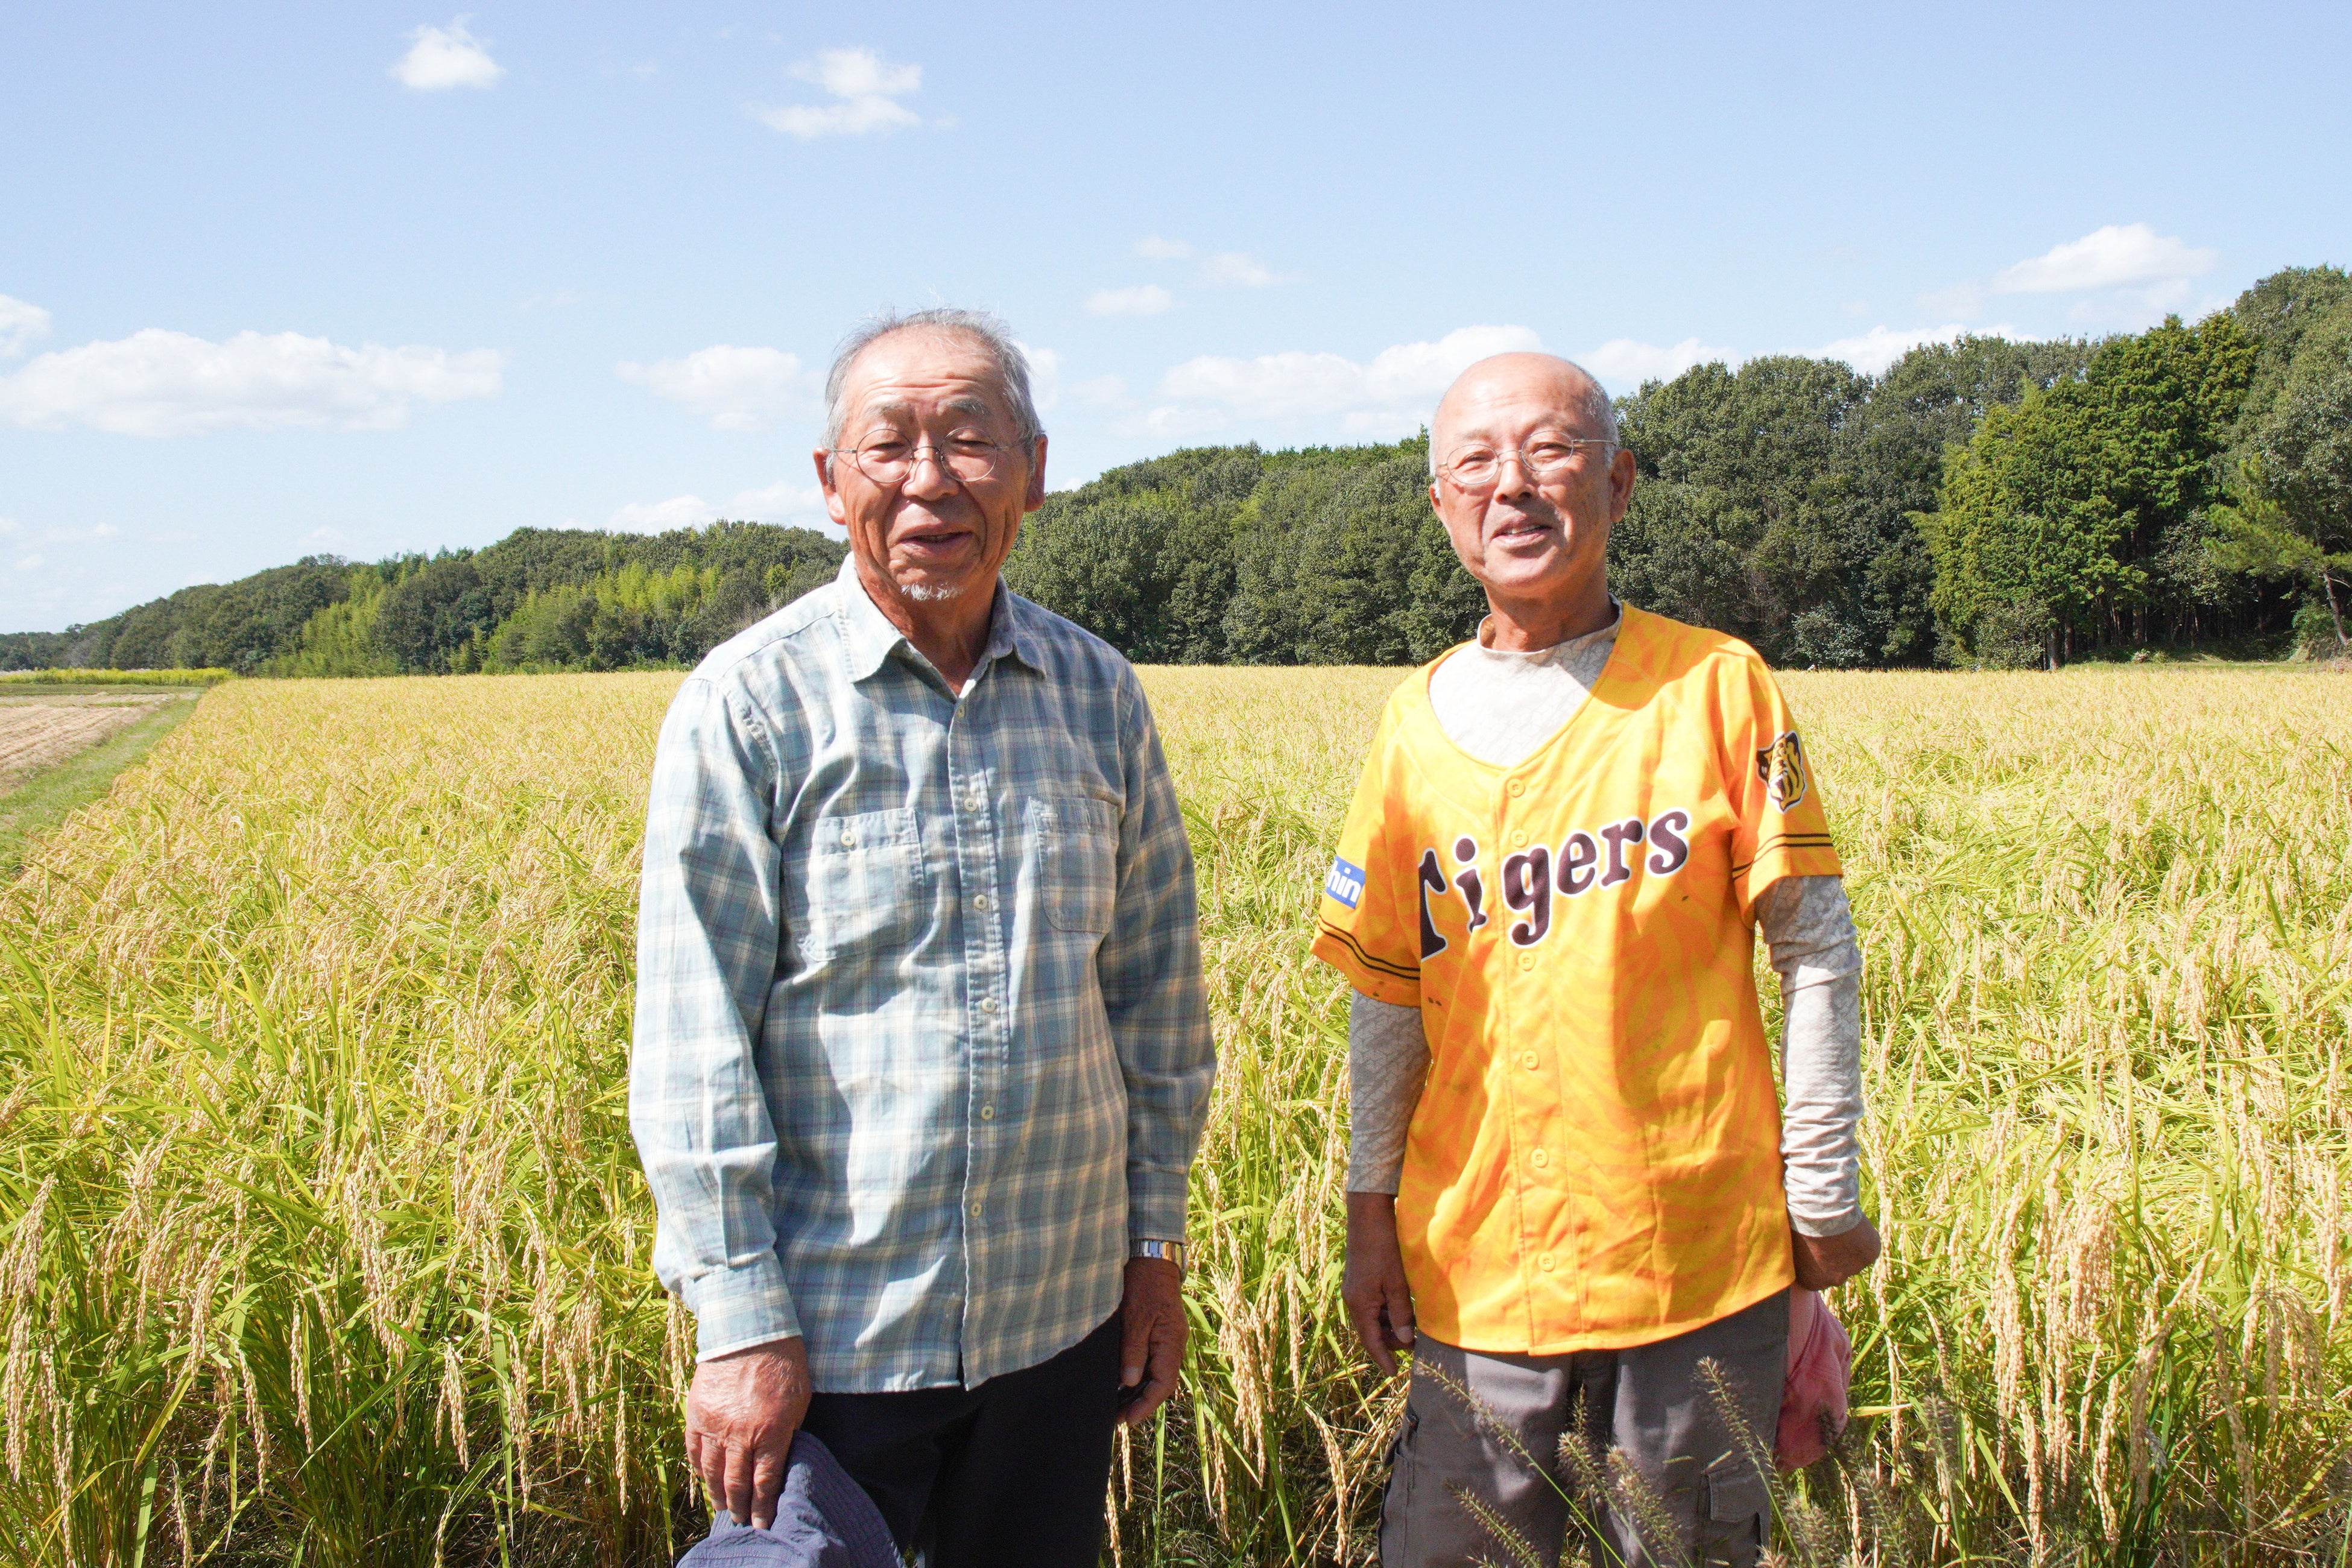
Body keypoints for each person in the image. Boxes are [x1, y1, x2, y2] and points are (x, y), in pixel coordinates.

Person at [630, 308, 1216, 1568]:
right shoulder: (749, 702)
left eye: (971, 438)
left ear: (1036, 472)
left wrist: (1152, 1249)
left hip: (1059, 1325)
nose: (930, 478)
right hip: (833, 1338)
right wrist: (738, 1321)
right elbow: (695, 1042)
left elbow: (1158, 994)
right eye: (888, 444)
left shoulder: (1099, 692)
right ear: (832, 483)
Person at [1312, 352, 1882, 1567]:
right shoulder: (1410, 726)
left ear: (1616, 483)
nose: (1511, 486)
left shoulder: (1719, 687)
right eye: (1475, 462)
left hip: (1695, 1253)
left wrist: (1821, 1189)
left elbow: (1817, 952)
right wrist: (1371, 1210)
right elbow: (1388, 998)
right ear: (1441, 505)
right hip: (1476, 1259)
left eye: (1550, 451)